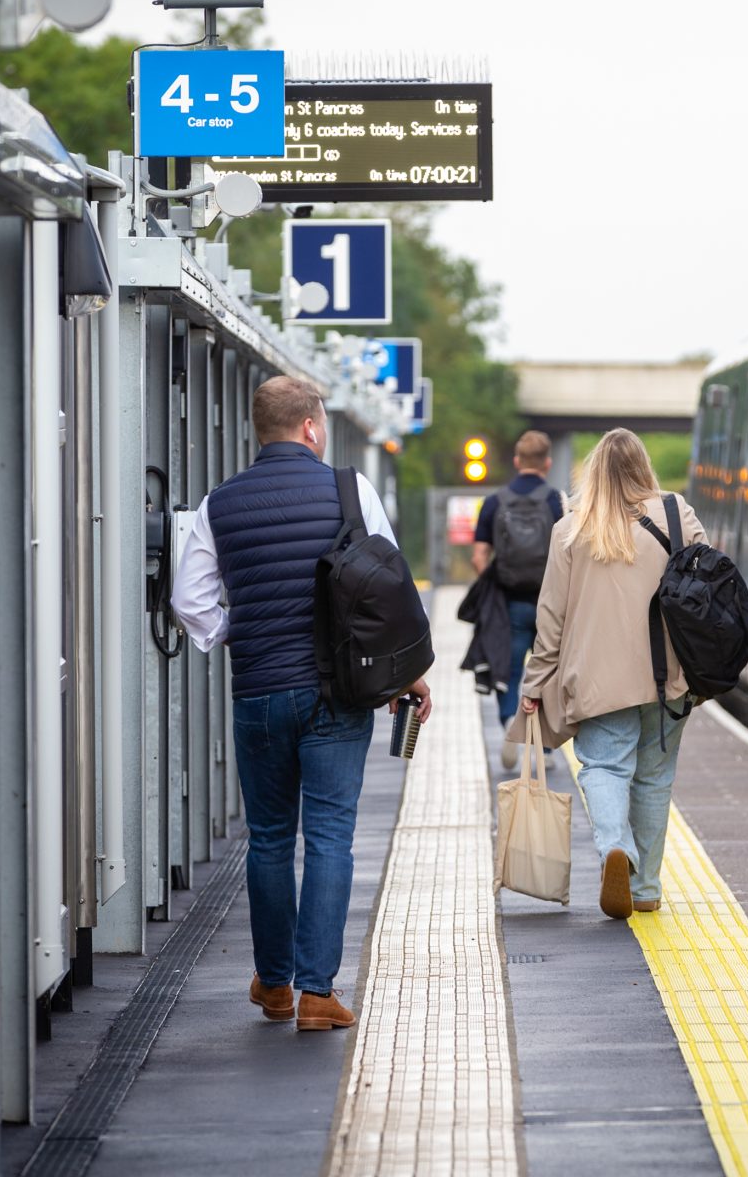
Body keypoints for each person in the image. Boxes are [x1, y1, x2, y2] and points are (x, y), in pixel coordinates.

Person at [171, 375, 432, 1032]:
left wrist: (240, 633)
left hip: (259, 691)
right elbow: (388, 589)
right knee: (330, 837)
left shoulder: (218, 504)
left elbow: (189, 602)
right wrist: (410, 675)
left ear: (260, 429)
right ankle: (318, 993)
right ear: (313, 426)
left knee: (268, 840)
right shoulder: (350, 490)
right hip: (335, 693)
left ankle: (276, 984)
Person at [519, 428, 704, 921]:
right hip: (669, 675)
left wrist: (536, 682)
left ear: (594, 471)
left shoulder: (572, 528)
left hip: (596, 676)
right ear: (644, 467)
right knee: (654, 778)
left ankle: (615, 850)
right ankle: (644, 887)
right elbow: (707, 581)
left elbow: (551, 618)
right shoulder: (677, 514)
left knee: (603, 767)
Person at [472, 430, 564, 730]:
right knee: (548, 671)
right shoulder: (558, 503)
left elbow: (479, 556)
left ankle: (510, 717)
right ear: (547, 464)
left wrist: (491, 586)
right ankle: (545, 748)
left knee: (509, 669)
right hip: (550, 605)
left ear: (516, 461)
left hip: (509, 602)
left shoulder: (494, 502)